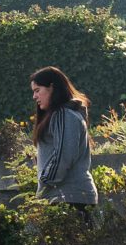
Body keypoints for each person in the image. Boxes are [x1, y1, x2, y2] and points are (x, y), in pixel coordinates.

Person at [28, 67, 98, 208]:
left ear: (52, 87)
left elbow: (64, 155)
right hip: (67, 196)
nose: (34, 96)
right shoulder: (65, 114)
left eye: (37, 90)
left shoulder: (64, 115)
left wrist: (45, 179)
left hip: (68, 197)